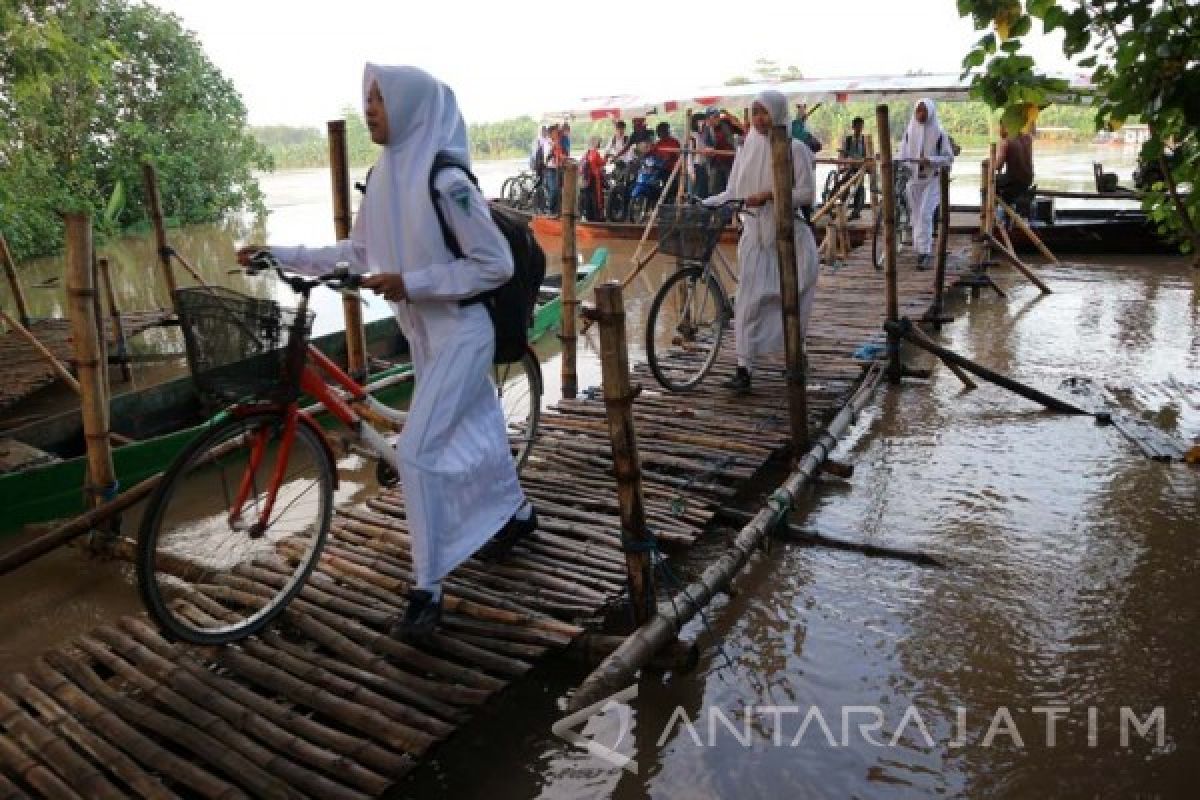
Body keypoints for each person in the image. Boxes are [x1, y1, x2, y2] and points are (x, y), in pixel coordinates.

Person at [235, 64, 536, 644]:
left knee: (417, 452)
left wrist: (413, 282)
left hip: (462, 331)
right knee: (476, 425)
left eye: (379, 98)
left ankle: (428, 590)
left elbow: (494, 265)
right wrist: (277, 252)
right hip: (425, 333)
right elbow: (356, 250)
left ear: (410, 105)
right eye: (366, 98)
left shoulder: (447, 182)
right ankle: (518, 516)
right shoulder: (385, 174)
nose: (369, 107)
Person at [702, 89, 819, 394]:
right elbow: (732, 192)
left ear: (778, 113)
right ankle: (744, 368)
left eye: (764, 112)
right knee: (747, 303)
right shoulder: (746, 150)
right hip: (755, 238)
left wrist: (770, 195)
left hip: (788, 239)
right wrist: (705, 203)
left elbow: (807, 194)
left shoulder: (796, 150)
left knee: (787, 303)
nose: (759, 118)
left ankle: (797, 353)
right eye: (754, 112)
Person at [898, 98, 955, 268]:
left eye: (924, 111)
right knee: (916, 214)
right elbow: (902, 154)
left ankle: (925, 251)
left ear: (930, 112)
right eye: (918, 111)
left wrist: (930, 159)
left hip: (933, 179)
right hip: (915, 180)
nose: (920, 114)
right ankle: (919, 247)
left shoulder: (939, 134)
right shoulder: (909, 132)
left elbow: (948, 158)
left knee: (924, 213)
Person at [994, 120, 1034, 206]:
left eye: (1000, 127)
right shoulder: (1028, 138)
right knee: (1000, 180)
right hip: (1028, 180)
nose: (999, 130)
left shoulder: (1005, 141)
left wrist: (989, 163)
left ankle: (991, 213)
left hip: (1014, 181)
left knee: (990, 182)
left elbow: (998, 165)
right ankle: (1006, 206)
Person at [839, 116, 867, 218]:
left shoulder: (865, 140)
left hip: (860, 168)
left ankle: (856, 212)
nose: (859, 129)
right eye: (857, 126)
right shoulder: (848, 139)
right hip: (849, 167)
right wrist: (842, 166)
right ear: (853, 127)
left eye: (861, 126)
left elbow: (867, 155)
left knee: (859, 188)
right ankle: (841, 209)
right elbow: (842, 154)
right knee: (845, 187)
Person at [704, 107, 737, 194]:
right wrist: (708, 149)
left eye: (717, 116)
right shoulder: (707, 129)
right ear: (708, 119)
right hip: (716, 162)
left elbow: (738, 124)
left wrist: (727, 113)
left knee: (731, 186)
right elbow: (707, 144)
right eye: (713, 117)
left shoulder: (726, 123)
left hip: (730, 161)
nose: (716, 119)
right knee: (714, 187)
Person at [580, 136, 606, 221]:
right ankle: (597, 217)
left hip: (586, 179)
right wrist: (607, 157)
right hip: (594, 178)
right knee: (596, 198)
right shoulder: (595, 153)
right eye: (598, 142)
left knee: (588, 198)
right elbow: (602, 162)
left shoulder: (586, 153)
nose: (599, 144)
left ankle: (589, 216)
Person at [687, 112, 709, 198]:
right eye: (702, 121)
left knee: (703, 194)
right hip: (695, 167)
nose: (704, 124)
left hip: (702, 167)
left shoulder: (702, 135)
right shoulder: (692, 136)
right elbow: (689, 156)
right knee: (695, 194)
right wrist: (692, 172)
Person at [544, 124, 564, 214]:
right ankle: (550, 209)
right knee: (554, 189)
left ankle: (558, 210)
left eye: (557, 132)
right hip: (550, 169)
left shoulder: (557, 142)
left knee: (560, 189)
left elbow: (560, 154)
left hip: (558, 168)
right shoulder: (547, 143)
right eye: (555, 132)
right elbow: (548, 155)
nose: (557, 134)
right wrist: (554, 146)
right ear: (551, 134)